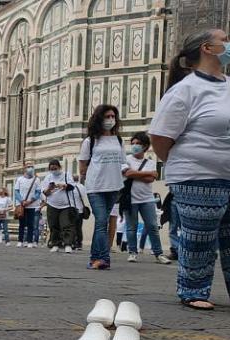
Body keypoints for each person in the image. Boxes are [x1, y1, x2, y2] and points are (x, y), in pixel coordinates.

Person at [150, 28, 230, 309]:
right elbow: (160, 137)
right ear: (207, 48)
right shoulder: (185, 89)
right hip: (197, 175)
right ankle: (194, 291)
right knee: (199, 238)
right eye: (226, 40)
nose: (229, 44)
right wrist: (180, 164)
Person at [79, 104, 125, 270]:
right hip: (96, 187)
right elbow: (82, 166)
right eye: (107, 116)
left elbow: (123, 162)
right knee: (101, 221)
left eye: (113, 116)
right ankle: (104, 259)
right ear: (100, 119)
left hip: (113, 187)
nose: (111, 120)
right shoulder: (90, 141)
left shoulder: (118, 140)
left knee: (103, 223)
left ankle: (94, 258)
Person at [122, 132, 172, 264]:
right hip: (130, 199)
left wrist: (136, 174)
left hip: (147, 199)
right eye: (133, 143)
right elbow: (128, 173)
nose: (135, 146)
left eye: (138, 143)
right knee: (131, 227)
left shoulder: (150, 161)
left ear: (145, 146)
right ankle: (132, 252)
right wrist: (146, 173)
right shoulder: (126, 159)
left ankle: (158, 253)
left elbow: (151, 179)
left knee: (152, 227)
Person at [41, 160, 77, 253]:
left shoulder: (66, 175)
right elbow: (45, 193)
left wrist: (64, 185)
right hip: (52, 205)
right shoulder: (48, 177)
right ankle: (55, 244)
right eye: (51, 169)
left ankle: (68, 244)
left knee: (66, 224)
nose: (53, 170)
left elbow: (72, 186)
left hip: (66, 205)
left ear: (59, 167)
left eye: (55, 168)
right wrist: (49, 188)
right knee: (53, 225)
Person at [14, 164, 42, 248]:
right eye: (28, 166)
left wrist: (30, 201)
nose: (30, 168)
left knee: (30, 224)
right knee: (21, 224)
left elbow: (38, 192)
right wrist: (22, 201)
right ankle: (20, 240)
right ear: (24, 169)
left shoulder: (36, 180)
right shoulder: (19, 179)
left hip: (32, 205)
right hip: (22, 205)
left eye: (32, 166)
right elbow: (16, 191)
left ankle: (30, 241)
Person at [71, 174, 87, 250]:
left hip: (73, 210)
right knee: (79, 228)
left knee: (72, 227)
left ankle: (73, 243)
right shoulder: (82, 187)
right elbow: (84, 196)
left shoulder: (71, 187)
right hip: (81, 210)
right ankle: (79, 243)